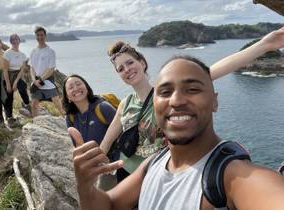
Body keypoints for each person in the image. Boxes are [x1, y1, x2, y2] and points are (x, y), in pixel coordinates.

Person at [70, 55, 284, 210]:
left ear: (215, 101)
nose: (177, 100)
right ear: (155, 105)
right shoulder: (155, 163)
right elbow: (107, 205)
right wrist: (85, 186)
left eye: (192, 89)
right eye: (165, 92)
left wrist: (266, 44)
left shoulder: (233, 175)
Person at [100, 26, 284, 181]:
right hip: (126, 174)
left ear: (142, 62)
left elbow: (214, 70)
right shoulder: (125, 104)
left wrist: (266, 44)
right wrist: (97, 165)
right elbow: (106, 143)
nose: (127, 70)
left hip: (159, 175)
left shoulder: (165, 95)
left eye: (130, 62)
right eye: (120, 69)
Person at [63, 74, 117, 190]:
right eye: (70, 87)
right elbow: (78, 147)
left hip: (114, 165)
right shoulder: (70, 118)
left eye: (78, 84)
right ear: (68, 97)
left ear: (86, 87)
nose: (76, 88)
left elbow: (124, 133)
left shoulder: (103, 108)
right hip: (93, 168)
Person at [28, 26, 64, 117]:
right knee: (34, 104)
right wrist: (34, 81)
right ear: (35, 36)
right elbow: (31, 68)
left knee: (57, 102)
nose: (40, 37)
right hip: (36, 82)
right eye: (38, 35)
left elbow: (51, 69)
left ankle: (67, 119)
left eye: (42, 35)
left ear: (45, 36)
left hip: (47, 81)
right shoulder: (33, 51)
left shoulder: (50, 51)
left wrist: (40, 80)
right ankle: (36, 122)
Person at [3, 33, 30, 127]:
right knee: (9, 96)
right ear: (11, 41)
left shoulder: (22, 55)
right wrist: (8, 84)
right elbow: (5, 70)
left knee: (22, 86)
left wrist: (15, 82)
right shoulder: (7, 53)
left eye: (16, 39)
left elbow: (22, 70)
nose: (15, 41)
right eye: (13, 40)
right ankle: (9, 117)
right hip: (9, 75)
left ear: (19, 40)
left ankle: (27, 104)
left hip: (18, 75)